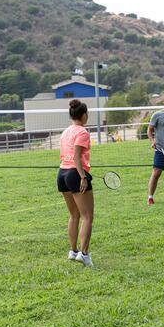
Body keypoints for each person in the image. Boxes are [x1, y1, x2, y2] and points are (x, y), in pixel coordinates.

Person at [57, 99, 94, 266]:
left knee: (74, 215)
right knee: (87, 217)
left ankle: (73, 251)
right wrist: (83, 177)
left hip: (62, 174)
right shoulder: (83, 132)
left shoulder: (65, 132)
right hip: (74, 174)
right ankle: (84, 254)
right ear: (84, 115)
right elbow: (77, 157)